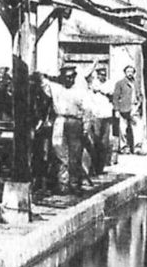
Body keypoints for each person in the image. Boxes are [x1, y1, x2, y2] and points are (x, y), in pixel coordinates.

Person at [45, 66, 87, 194]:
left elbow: (88, 109)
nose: (69, 80)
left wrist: (86, 126)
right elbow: (41, 81)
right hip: (60, 120)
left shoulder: (80, 91)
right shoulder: (56, 88)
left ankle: (74, 184)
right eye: (66, 77)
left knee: (75, 154)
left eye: (71, 77)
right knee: (60, 152)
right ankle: (63, 183)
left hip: (75, 121)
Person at [84, 64, 115, 176]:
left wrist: (99, 90)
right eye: (101, 75)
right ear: (97, 75)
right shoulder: (92, 83)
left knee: (104, 143)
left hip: (106, 115)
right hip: (96, 116)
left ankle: (100, 167)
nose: (103, 77)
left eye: (105, 74)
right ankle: (93, 167)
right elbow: (85, 76)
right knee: (95, 142)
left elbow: (110, 92)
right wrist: (93, 64)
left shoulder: (109, 83)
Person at [112, 65, 141, 154]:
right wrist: (116, 110)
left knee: (137, 128)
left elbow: (140, 95)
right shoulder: (120, 83)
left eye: (131, 72)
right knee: (123, 129)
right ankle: (124, 148)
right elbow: (115, 97)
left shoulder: (136, 83)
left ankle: (137, 147)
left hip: (134, 108)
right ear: (125, 72)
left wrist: (138, 105)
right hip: (123, 109)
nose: (130, 73)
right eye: (128, 71)